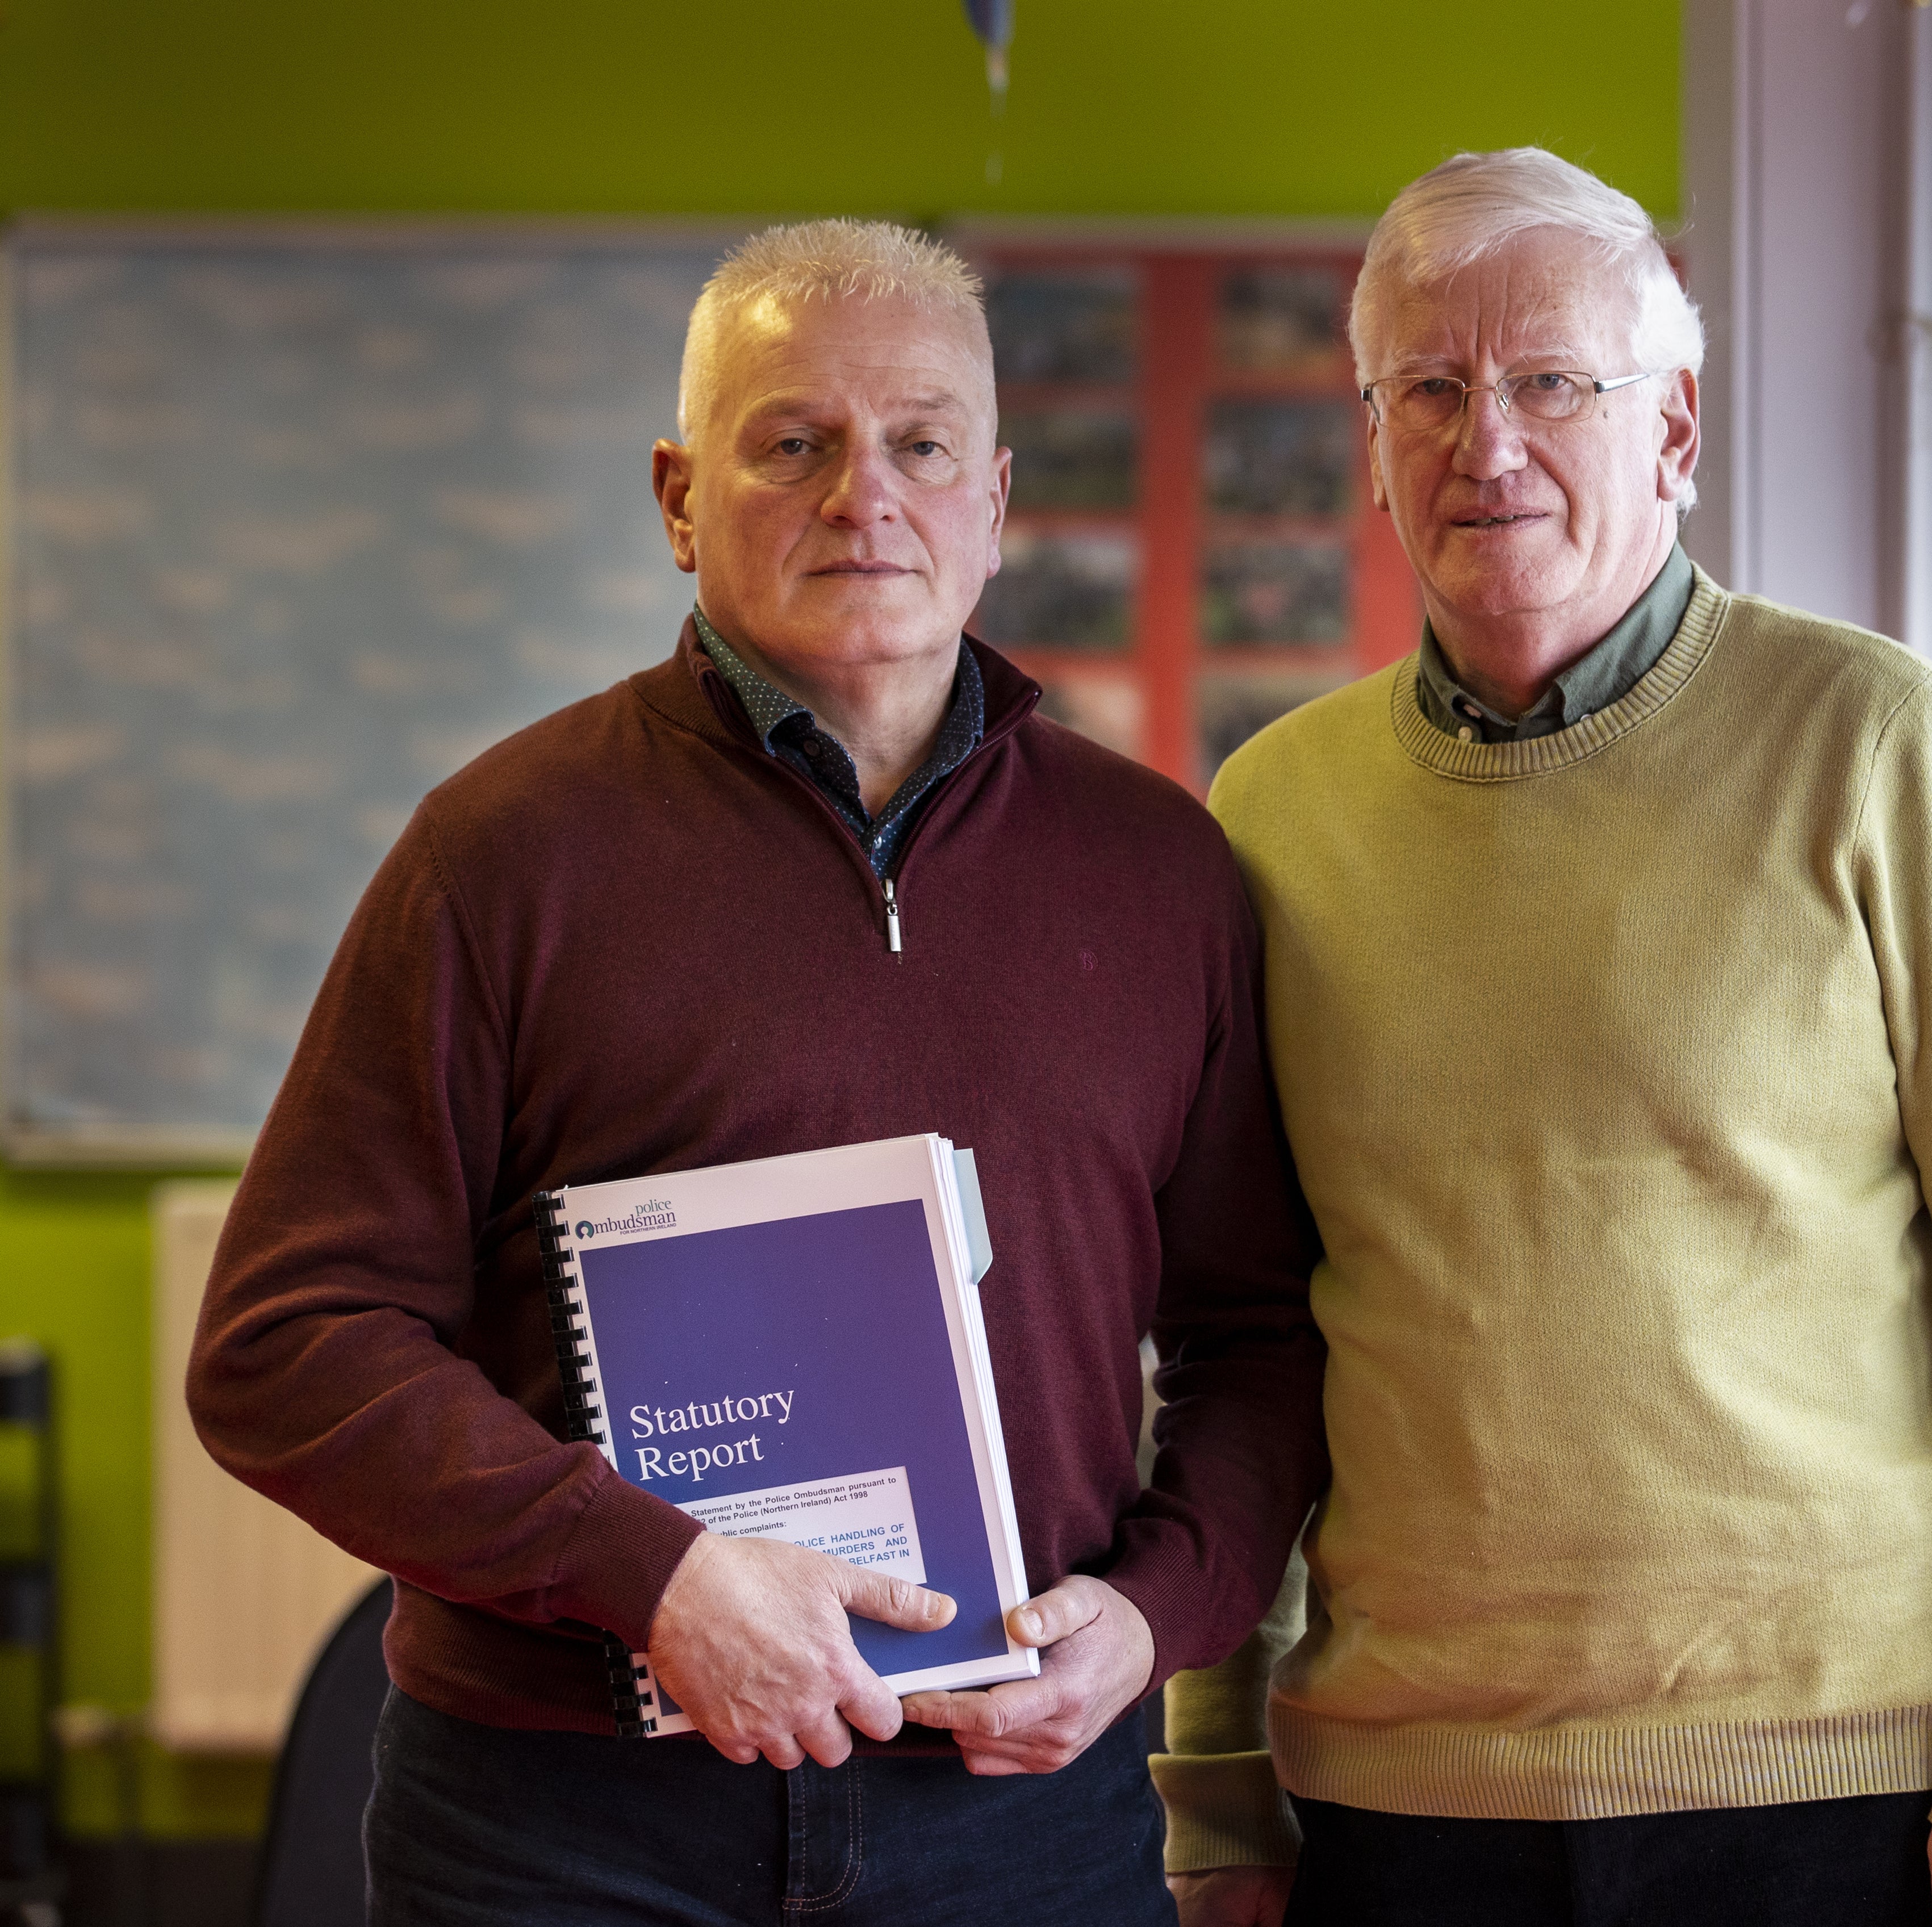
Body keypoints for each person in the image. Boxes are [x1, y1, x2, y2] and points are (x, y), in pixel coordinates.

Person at [187, 219, 1328, 1927]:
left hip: (1015, 1820)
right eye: (792, 440)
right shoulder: (503, 854)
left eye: (921, 442)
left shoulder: (1159, 872)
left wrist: (1160, 1612)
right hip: (561, 1824)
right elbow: (286, 1343)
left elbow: (1262, 1340)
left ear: (997, 500)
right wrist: (653, 1578)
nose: (864, 492)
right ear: (674, 497)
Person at [1155, 149, 1932, 1927]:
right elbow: (1235, 1334)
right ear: (1373, 439)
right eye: (1430, 389)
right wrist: (1217, 1779)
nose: (1488, 442)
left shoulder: (1878, 746)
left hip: (1833, 1792)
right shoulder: (1268, 811)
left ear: (1674, 431)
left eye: (1552, 381)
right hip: (1395, 1806)